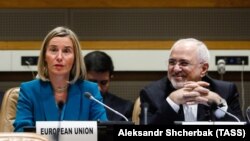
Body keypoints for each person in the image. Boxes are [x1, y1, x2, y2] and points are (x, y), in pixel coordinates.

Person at [14, 26, 107, 132]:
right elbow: (21, 134)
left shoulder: (90, 91)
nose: (59, 57)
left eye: (66, 51)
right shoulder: (29, 91)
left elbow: (103, 133)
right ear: (45, 56)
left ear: (75, 57)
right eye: (53, 50)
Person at [139, 38, 244, 124]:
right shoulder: (152, 93)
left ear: (203, 69)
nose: (175, 69)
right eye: (172, 62)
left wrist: (219, 103)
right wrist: (172, 102)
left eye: (183, 63)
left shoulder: (225, 91)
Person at [84, 51, 134, 121]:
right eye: (92, 83)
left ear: (110, 79)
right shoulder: (69, 103)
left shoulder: (124, 109)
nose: (98, 88)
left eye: (103, 82)